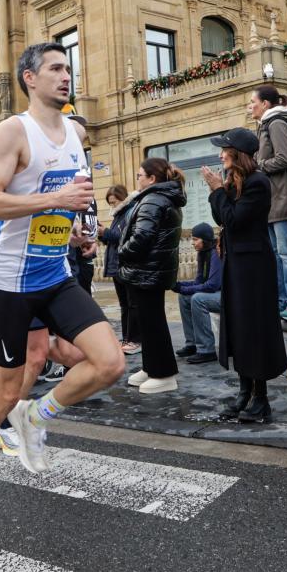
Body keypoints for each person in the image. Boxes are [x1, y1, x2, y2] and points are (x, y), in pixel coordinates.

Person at [0, 41, 125, 530]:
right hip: (11, 283)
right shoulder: (14, 131)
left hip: (55, 274)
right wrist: (59, 199)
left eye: (69, 68)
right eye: (55, 69)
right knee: (2, 393)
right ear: (30, 78)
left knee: (110, 362)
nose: (66, 76)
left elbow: (54, 203)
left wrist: (73, 230)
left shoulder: (73, 132)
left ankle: (37, 415)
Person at [203, 127, 287, 422]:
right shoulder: (235, 181)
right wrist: (220, 191)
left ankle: (260, 398)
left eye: (224, 150)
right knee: (238, 326)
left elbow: (235, 220)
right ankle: (243, 391)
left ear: (237, 154)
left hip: (254, 267)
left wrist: (217, 191)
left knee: (254, 329)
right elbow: (221, 217)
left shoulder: (258, 182)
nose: (220, 154)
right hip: (236, 264)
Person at [118, 157, 188, 395]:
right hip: (150, 270)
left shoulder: (154, 199)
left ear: (152, 179)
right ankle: (151, 368)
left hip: (148, 270)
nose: (137, 178)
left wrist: (122, 251)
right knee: (148, 323)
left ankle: (164, 374)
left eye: (139, 175)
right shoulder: (159, 197)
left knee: (153, 323)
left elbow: (142, 237)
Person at [250, 84, 287, 325]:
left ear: (265, 104)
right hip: (274, 199)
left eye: (252, 101)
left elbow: (284, 158)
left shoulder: (276, 123)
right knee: (276, 254)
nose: (249, 106)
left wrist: (259, 166)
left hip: (284, 196)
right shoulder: (266, 125)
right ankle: (284, 301)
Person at [173, 224, 220, 363]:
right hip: (214, 293)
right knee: (184, 297)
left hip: (227, 295)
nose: (193, 243)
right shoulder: (203, 253)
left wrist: (184, 288)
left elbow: (212, 285)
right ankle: (192, 344)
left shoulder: (216, 253)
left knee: (198, 299)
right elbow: (199, 281)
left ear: (205, 239)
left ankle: (207, 350)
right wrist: (178, 285)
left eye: (195, 239)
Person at [98, 185, 137, 353]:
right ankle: (126, 337)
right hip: (117, 265)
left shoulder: (130, 212)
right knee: (124, 305)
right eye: (110, 203)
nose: (112, 206)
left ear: (123, 198)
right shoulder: (118, 214)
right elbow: (113, 241)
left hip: (126, 265)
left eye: (114, 202)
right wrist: (102, 234)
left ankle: (134, 339)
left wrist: (106, 232)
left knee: (131, 304)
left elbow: (126, 238)